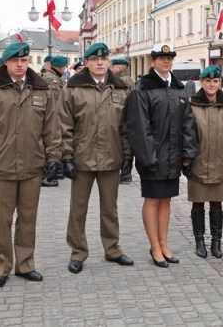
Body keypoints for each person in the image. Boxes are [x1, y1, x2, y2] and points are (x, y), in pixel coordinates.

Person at [0, 42, 61, 288]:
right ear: (6, 62)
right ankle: (2, 266)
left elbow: (51, 127)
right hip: (1, 166)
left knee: (28, 218)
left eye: (25, 60)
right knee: (2, 220)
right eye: (16, 61)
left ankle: (25, 264)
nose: (20, 65)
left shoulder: (41, 89)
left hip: (32, 165)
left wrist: (53, 157)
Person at [59, 43, 134, 274]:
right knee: (78, 208)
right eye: (94, 59)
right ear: (87, 62)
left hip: (111, 156)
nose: (100, 63)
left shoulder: (120, 89)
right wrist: (66, 157)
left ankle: (112, 249)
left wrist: (127, 155)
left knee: (110, 208)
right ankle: (78, 252)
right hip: (82, 157)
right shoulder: (72, 89)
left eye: (104, 59)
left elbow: (125, 126)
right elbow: (63, 125)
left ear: (109, 62)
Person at [126, 44, 197, 268]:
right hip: (153, 157)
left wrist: (187, 154)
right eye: (161, 58)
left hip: (173, 156)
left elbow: (188, 123)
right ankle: (154, 246)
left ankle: (164, 244)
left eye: (169, 58)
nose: (166, 61)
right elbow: (139, 127)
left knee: (166, 200)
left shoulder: (178, 88)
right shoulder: (142, 89)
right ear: (153, 61)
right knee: (152, 200)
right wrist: (148, 158)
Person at [188, 65, 223, 258]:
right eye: (207, 81)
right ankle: (199, 241)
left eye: (215, 81)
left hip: (221, 164)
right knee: (197, 204)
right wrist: (185, 161)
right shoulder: (192, 106)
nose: (212, 85)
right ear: (201, 82)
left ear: (220, 83)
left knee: (216, 204)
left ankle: (216, 242)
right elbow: (186, 136)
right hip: (198, 163)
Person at [41, 55, 69, 187]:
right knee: (52, 143)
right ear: (58, 67)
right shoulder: (51, 79)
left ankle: (54, 170)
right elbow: (55, 100)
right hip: (54, 116)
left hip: (56, 116)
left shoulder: (56, 78)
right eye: (64, 66)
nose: (64, 69)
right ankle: (48, 174)